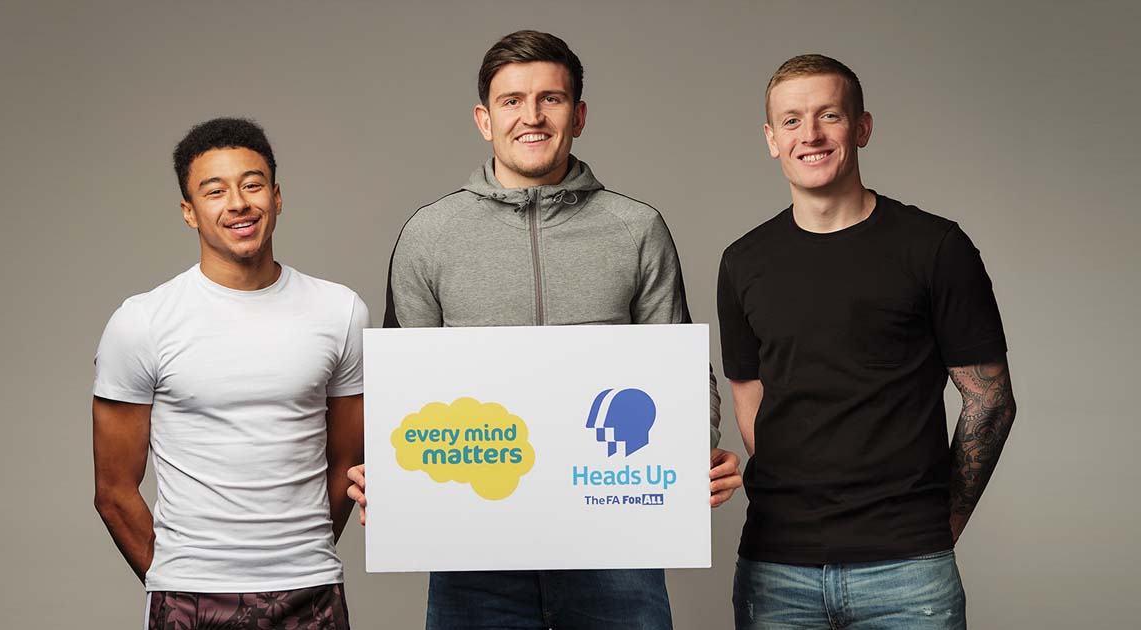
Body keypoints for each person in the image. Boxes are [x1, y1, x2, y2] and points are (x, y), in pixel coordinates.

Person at [347, 30, 742, 630]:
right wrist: (388, 470)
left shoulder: (637, 228)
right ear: (484, 119)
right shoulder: (429, 234)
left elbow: (683, 372)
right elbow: (400, 388)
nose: (531, 116)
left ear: (577, 115)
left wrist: (693, 453)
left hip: (615, 539)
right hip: (472, 543)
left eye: (550, 99)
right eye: (511, 101)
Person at [717, 54, 1018, 629]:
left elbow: (991, 402)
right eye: (791, 120)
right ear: (772, 139)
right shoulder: (743, 262)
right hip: (775, 570)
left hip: (907, 571)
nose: (810, 134)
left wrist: (939, 527)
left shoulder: (935, 247)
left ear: (862, 127)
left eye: (828, 115)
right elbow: (750, 394)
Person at [92, 118, 366, 629]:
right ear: (189, 212)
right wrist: (176, 579)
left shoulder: (340, 311)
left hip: (311, 589)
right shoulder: (142, 322)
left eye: (252, 185)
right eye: (214, 191)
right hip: (190, 594)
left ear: (277, 198)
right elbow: (113, 491)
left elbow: (347, 462)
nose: (237, 203)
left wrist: (301, 555)